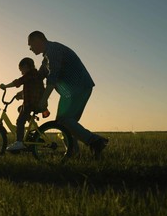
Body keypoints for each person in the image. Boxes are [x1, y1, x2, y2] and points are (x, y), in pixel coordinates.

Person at [28, 31, 108, 159]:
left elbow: (52, 79)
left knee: (64, 121)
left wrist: (43, 100)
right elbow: (38, 77)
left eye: (30, 44)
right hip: (70, 93)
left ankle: (95, 141)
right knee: (64, 124)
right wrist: (23, 92)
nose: (30, 48)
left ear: (38, 40)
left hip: (79, 87)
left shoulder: (53, 51)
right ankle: (74, 153)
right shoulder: (46, 59)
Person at [0, 57, 49, 151]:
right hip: (35, 102)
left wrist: (5, 86)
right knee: (20, 109)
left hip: (31, 103)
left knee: (20, 121)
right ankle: (30, 131)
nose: (21, 73)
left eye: (21, 70)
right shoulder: (35, 75)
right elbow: (32, 89)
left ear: (26, 66)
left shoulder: (30, 75)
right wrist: (21, 95)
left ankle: (19, 142)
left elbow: (18, 82)